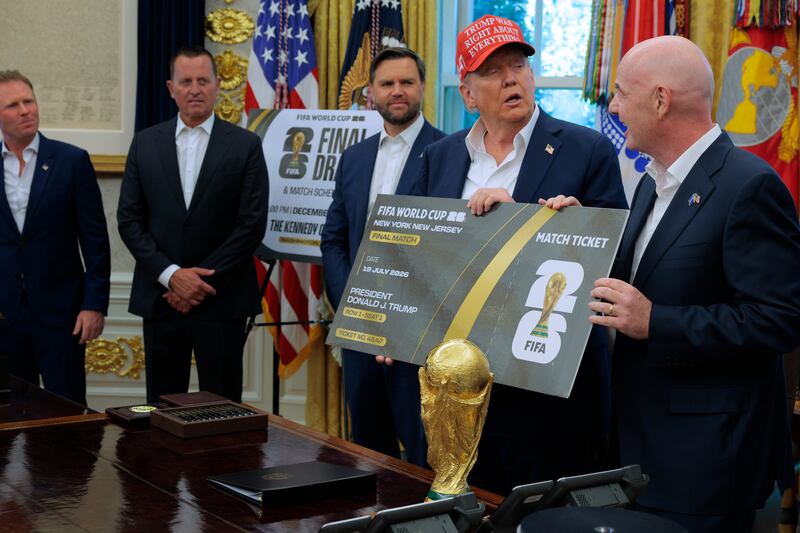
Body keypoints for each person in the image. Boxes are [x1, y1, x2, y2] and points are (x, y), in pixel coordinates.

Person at [546, 35, 800, 533]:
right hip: (637, 449)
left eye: (620, 92)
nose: (613, 106)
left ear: (661, 100)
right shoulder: (650, 182)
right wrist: (581, 236)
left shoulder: (748, 185)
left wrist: (655, 322)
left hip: (705, 463)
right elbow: (637, 281)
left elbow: (781, 320)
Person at [382, 15, 627, 494]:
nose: (511, 78)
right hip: (458, 387)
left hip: (547, 397)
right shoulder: (440, 157)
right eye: (493, 71)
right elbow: (406, 254)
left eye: (518, 65)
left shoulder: (586, 149)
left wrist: (545, 229)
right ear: (468, 92)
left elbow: (618, 266)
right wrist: (393, 326)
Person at [118, 46, 268, 403]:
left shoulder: (245, 146)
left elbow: (251, 224)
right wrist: (172, 276)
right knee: (161, 406)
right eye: (186, 81)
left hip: (222, 299)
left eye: (203, 80)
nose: (195, 89)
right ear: (171, 88)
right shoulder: (144, 144)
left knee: (221, 405)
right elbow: (129, 220)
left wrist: (197, 282)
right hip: (161, 298)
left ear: (218, 86)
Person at [321, 47, 446, 467]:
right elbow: (334, 240)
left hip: (420, 338)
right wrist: (352, 307)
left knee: (423, 451)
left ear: (422, 88)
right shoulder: (353, 158)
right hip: (360, 332)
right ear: (370, 92)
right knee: (367, 448)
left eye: (407, 82)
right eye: (387, 83)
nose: (397, 91)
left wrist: (404, 321)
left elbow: (449, 252)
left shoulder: (451, 152)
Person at [0, 70, 110, 405]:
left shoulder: (71, 161)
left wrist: (94, 305)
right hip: (5, 316)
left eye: (29, 101)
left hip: (62, 316)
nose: (25, 110)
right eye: (13, 105)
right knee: (11, 420)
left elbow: (95, 240)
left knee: (67, 413)